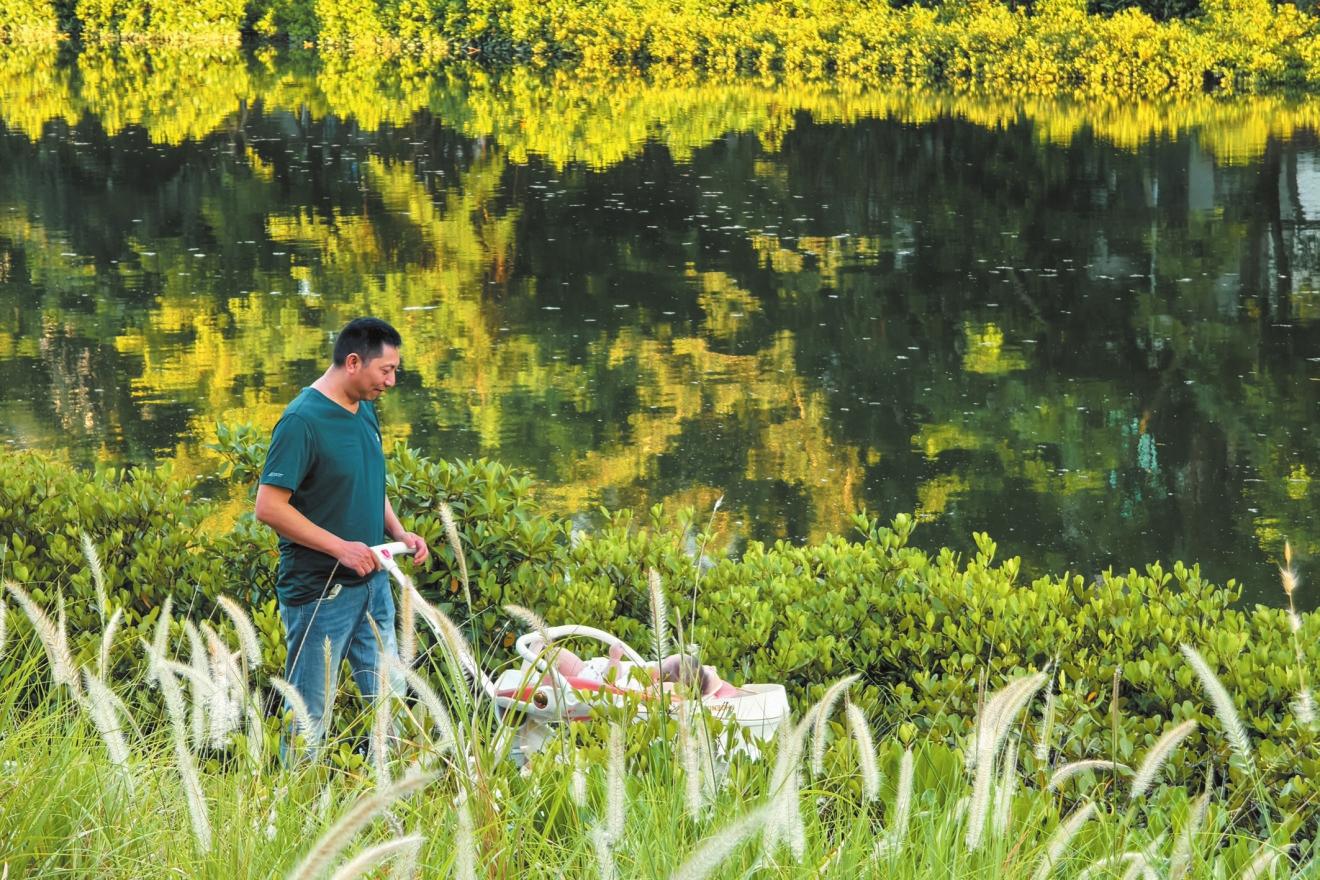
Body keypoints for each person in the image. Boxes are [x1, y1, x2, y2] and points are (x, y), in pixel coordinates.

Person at [255, 317, 429, 758]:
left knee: (390, 705)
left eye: (394, 371)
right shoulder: (301, 421)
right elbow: (269, 507)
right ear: (353, 362)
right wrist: (340, 549)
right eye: (385, 370)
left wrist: (398, 532)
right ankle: (294, 794)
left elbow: (367, 480)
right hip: (321, 595)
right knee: (308, 718)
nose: (391, 381)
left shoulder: (364, 406)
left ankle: (388, 791)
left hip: (373, 586)